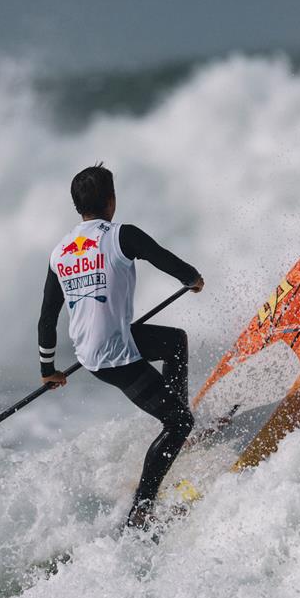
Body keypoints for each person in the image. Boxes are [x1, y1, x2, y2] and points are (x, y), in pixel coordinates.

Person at [37, 163, 204, 530]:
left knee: (175, 342)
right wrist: (191, 278)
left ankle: (176, 427)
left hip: (93, 350)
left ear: (77, 206)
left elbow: (47, 319)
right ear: (111, 201)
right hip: (115, 355)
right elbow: (162, 257)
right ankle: (141, 510)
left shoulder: (60, 252)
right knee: (179, 423)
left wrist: (47, 370)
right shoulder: (120, 235)